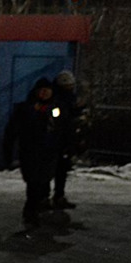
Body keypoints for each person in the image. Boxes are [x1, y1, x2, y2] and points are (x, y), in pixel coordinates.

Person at [3, 77, 64, 227]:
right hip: (30, 151)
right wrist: (8, 152)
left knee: (43, 180)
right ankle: (31, 211)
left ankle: (37, 207)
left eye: (47, 90)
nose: (44, 93)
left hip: (49, 152)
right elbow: (12, 130)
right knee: (33, 182)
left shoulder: (56, 108)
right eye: (42, 90)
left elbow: (61, 129)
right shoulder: (26, 108)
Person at [51, 70, 85, 208]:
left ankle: (57, 196)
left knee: (61, 169)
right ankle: (53, 197)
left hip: (65, 137)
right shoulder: (59, 99)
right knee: (56, 169)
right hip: (59, 137)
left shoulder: (67, 98)